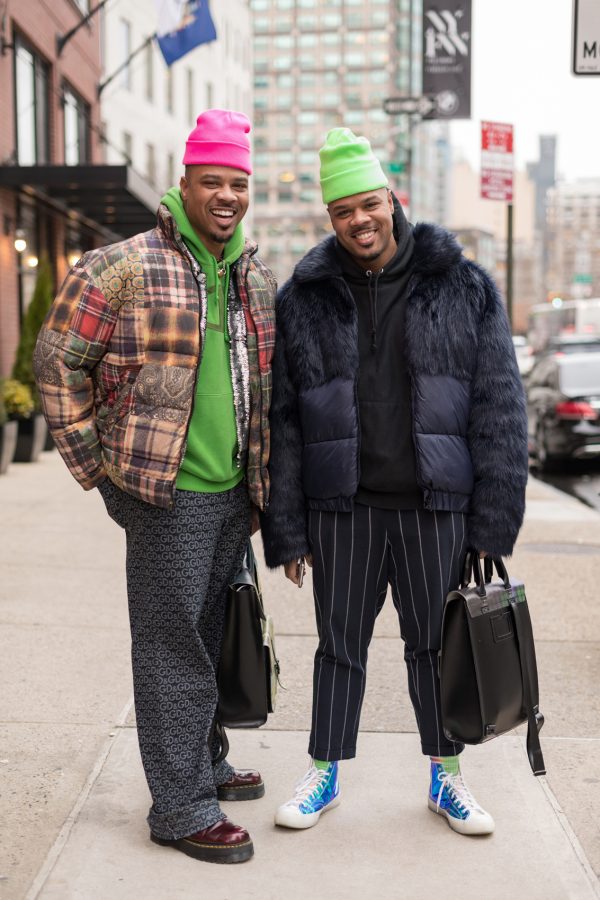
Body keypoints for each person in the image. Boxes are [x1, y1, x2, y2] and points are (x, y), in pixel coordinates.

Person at [261, 127, 528, 836]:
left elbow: (501, 406)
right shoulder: (303, 298)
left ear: (391, 198)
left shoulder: (462, 286)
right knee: (337, 647)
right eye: (342, 210)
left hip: (434, 508)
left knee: (435, 651)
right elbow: (283, 419)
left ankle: (447, 776)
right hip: (341, 507)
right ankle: (323, 772)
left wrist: (492, 520)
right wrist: (288, 526)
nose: (359, 221)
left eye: (368, 204)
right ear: (330, 217)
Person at [33, 110, 276, 864]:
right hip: (165, 496)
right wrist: (98, 470)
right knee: (172, 648)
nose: (228, 195)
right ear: (185, 182)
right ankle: (180, 807)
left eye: (239, 183)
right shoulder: (122, 265)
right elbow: (55, 362)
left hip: (233, 493)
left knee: (211, 636)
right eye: (214, 181)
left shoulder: (252, 276)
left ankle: (205, 764)